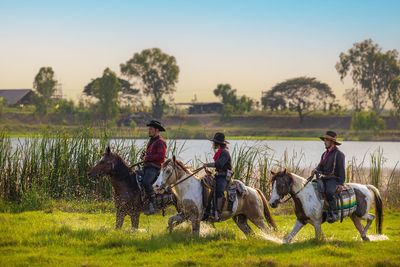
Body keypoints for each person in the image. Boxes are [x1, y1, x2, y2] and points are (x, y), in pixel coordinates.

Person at [311, 130, 345, 223]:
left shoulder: (339, 155)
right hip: (324, 178)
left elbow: (342, 170)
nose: (324, 142)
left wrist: (341, 184)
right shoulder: (324, 154)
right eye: (324, 140)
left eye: (326, 140)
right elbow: (320, 166)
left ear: (332, 142)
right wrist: (316, 170)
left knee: (329, 192)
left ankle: (334, 213)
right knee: (312, 187)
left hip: (333, 179)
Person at [202, 132, 232, 222]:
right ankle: (207, 212)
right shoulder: (221, 151)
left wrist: (207, 164)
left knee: (219, 191)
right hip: (219, 176)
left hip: (224, 177)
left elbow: (219, 164)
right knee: (211, 193)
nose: (213, 144)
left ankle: (218, 214)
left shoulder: (224, 152)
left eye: (214, 142)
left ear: (217, 143)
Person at [141, 120, 167, 215]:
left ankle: (153, 206)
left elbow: (161, 156)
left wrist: (146, 157)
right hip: (147, 167)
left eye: (151, 129)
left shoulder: (160, 142)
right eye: (149, 129)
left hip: (155, 168)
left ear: (156, 130)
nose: (149, 131)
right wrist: (144, 157)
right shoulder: (152, 141)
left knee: (146, 182)